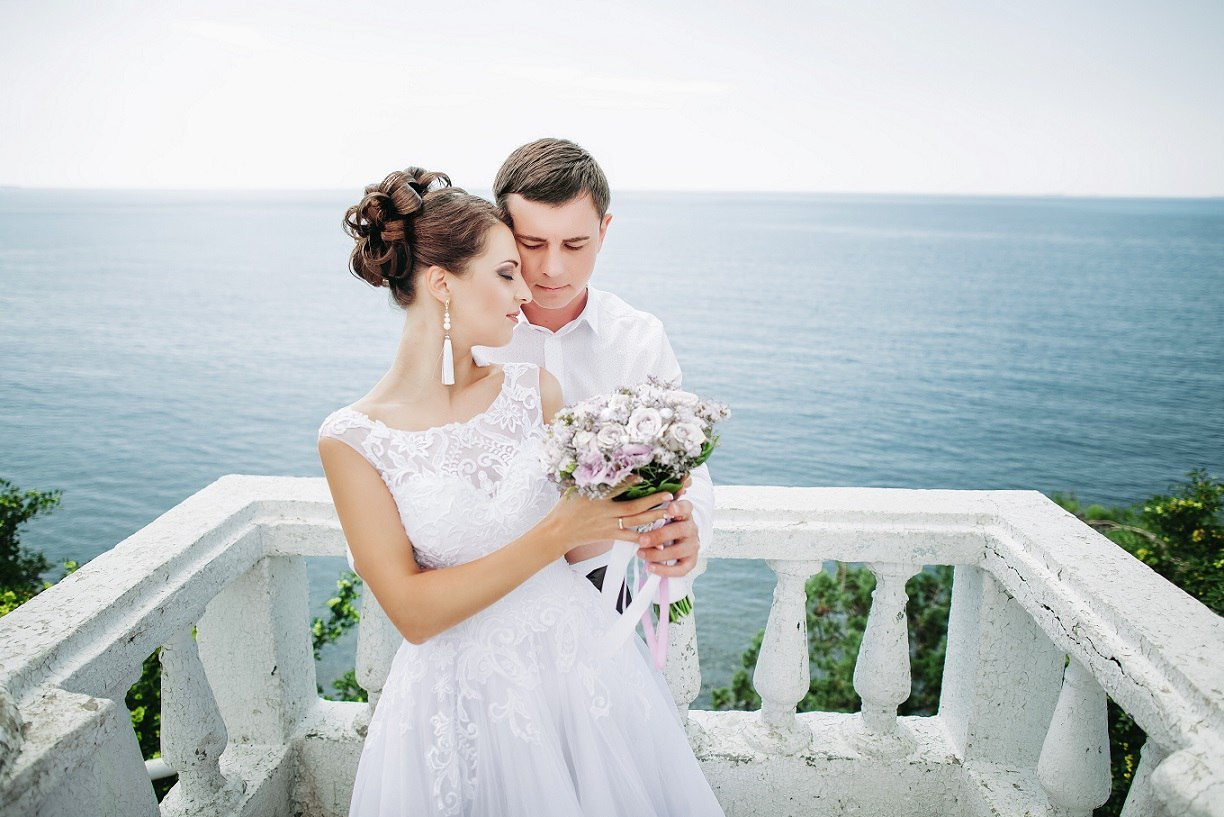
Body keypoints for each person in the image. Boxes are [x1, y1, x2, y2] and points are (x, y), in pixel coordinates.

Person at [318, 167, 725, 816]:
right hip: (454, 693)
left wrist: (662, 512)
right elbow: (412, 612)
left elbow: (588, 533)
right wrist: (560, 530)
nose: (530, 286)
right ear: (443, 283)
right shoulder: (351, 438)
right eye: (510, 270)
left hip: (579, 667)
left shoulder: (533, 390)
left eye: (569, 247)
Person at [475, 137, 713, 608]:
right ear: (503, 232)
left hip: (611, 602)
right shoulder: (470, 337)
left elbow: (687, 468)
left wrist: (692, 526)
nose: (553, 267)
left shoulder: (639, 338)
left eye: (575, 243)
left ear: (604, 232)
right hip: (491, 595)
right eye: (532, 243)